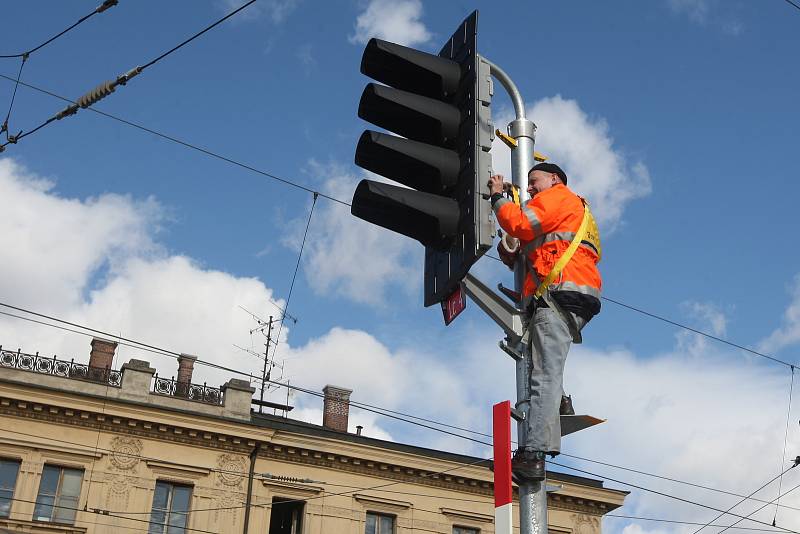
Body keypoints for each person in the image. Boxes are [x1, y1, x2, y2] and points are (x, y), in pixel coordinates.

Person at [487, 162, 602, 481]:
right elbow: (517, 247)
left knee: (544, 374)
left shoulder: (560, 197)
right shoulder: (566, 209)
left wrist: (499, 198)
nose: (530, 188)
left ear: (554, 179)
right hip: (569, 294)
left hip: (560, 294)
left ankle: (533, 455)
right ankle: (560, 405)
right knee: (545, 366)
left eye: (534, 181)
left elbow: (522, 224)